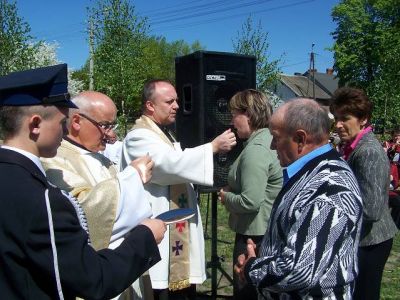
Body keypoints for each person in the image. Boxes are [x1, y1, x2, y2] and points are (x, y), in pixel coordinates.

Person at [0, 64, 165, 299]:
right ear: (35, 125)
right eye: (61, 123)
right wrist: (145, 237)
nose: (64, 131)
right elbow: (91, 280)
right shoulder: (46, 199)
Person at [235, 98, 363, 299]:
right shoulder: (310, 174)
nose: (272, 145)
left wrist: (252, 268)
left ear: (301, 140)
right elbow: (298, 233)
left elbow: (300, 270)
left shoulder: (329, 188)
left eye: (276, 137)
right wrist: (260, 253)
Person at [120, 79, 237, 299]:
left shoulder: (163, 133)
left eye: (177, 101)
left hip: (175, 222)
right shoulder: (138, 136)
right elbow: (167, 164)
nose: (176, 106)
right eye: (169, 101)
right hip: (158, 225)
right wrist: (211, 147)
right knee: (161, 288)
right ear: (150, 105)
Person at [41, 91, 155, 299]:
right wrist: (133, 176)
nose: (110, 134)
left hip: (121, 266)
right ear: (76, 121)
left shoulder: (100, 157)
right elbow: (82, 211)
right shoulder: (55, 160)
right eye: (105, 125)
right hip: (93, 273)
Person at [330, 87, 399, 300]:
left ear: (363, 119)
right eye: (337, 118)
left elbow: (372, 209)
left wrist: (332, 203)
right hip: (362, 239)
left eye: (345, 118)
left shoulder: (367, 151)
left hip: (371, 243)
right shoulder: (353, 146)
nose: (338, 124)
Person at [217, 89, 282, 299]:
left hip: (253, 237)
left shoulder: (256, 150)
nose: (232, 121)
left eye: (234, 114)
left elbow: (250, 201)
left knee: (247, 293)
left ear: (249, 114)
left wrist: (226, 197)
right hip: (263, 232)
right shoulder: (266, 141)